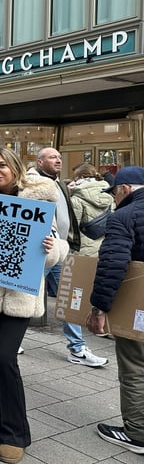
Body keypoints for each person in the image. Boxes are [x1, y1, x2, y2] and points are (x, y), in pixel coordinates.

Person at [0, 146, 68, 464]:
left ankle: (15, 434)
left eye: (2, 165)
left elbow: (62, 245)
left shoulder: (41, 198)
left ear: (15, 167)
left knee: (4, 357)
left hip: (20, 295)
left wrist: (52, 248)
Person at [29, 147, 107, 367]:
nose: (58, 160)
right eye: (52, 157)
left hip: (60, 251)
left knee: (68, 298)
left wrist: (70, 241)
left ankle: (77, 348)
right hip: (42, 251)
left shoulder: (60, 183)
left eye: (59, 157)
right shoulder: (34, 182)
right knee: (25, 296)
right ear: (40, 161)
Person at [86, 166, 144, 455]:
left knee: (135, 366)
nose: (114, 199)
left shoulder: (123, 216)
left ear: (124, 189)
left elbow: (112, 265)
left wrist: (99, 309)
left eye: (115, 194)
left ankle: (137, 433)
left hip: (138, 309)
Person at [70, 163, 114, 256]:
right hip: (106, 248)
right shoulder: (109, 196)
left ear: (81, 177)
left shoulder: (76, 199)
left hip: (83, 251)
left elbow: (72, 229)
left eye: (75, 178)